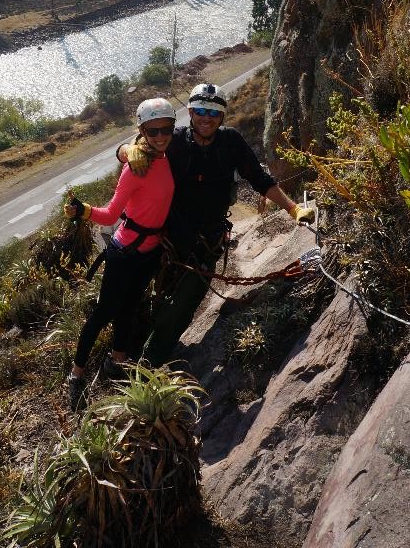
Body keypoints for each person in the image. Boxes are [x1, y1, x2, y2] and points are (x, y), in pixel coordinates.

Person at [120, 82, 315, 368]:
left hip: (206, 242)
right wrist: (128, 150)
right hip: (167, 238)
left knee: (183, 307)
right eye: (200, 110)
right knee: (149, 296)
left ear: (222, 116)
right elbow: (134, 145)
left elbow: (260, 180)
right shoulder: (172, 140)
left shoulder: (231, 142)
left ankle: (148, 365)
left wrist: (293, 208)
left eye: (213, 112)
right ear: (190, 112)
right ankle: (127, 348)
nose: (206, 117)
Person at [63, 97, 176, 408]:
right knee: (104, 313)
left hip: (150, 252)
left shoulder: (168, 152)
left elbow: (131, 147)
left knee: (130, 306)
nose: (161, 136)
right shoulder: (134, 168)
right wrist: (82, 211)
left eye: (166, 129)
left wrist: (130, 147)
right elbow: (111, 215)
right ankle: (76, 374)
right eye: (152, 131)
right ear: (142, 130)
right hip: (125, 252)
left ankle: (119, 359)